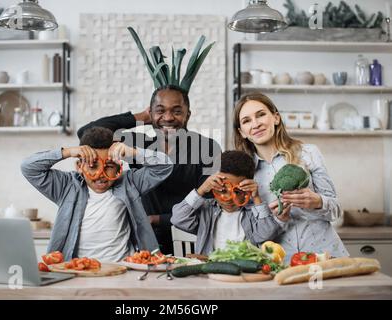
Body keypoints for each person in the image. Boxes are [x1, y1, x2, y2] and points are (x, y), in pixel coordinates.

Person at [77, 28, 221, 254]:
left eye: (176, 111)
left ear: (188, 115)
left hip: (192, 241)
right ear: (150, 114)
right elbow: (86, 133)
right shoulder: (137, 144)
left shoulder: (208, 148)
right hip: (144, 244)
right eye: (160, 111)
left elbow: (211, 200)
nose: (168, 117)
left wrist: (156, 219)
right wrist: (139, 117)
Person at [21, 127, 173, 262]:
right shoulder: (66, 186)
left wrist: (132, 152)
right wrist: (67, 152)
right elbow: (28, 167)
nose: (101, 175)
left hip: (124, 269)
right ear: (79, 166)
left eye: (108, 167)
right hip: (79, 271)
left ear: (119, 166)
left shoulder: (129, 182)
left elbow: (165, 166)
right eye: (93, 166)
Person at [232, 92, 348, 262]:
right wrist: (276, 219)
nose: (255, 124)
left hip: (325, 255)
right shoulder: (244, 175)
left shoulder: (309, 153)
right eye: (246, 120)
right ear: (242, 132)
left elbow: (336, 210)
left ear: (276, 118)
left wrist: (317, 201)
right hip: (279, 262)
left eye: (261, 114)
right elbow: (254, 233)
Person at [171, 150, 284, 255]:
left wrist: (256, 198)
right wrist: (201, 190)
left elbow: (266, 234)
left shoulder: (253, 212)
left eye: (237, 192)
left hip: (243, 271)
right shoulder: (207, 210)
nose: (229, 198)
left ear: (247, 191)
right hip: (209, 270)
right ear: (213, 186)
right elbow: (178, 218)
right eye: (223, 190)